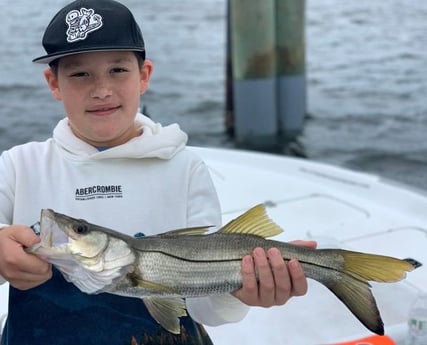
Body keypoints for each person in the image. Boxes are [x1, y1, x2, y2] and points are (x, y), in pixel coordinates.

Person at [0, 0, 316, 344]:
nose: (102, 89)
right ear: (54, 83)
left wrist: (239, 292)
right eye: (79, 74)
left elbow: (206, 310)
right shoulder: (18, 166)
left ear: (144, 76)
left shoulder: (184, 169)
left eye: (118, 70)